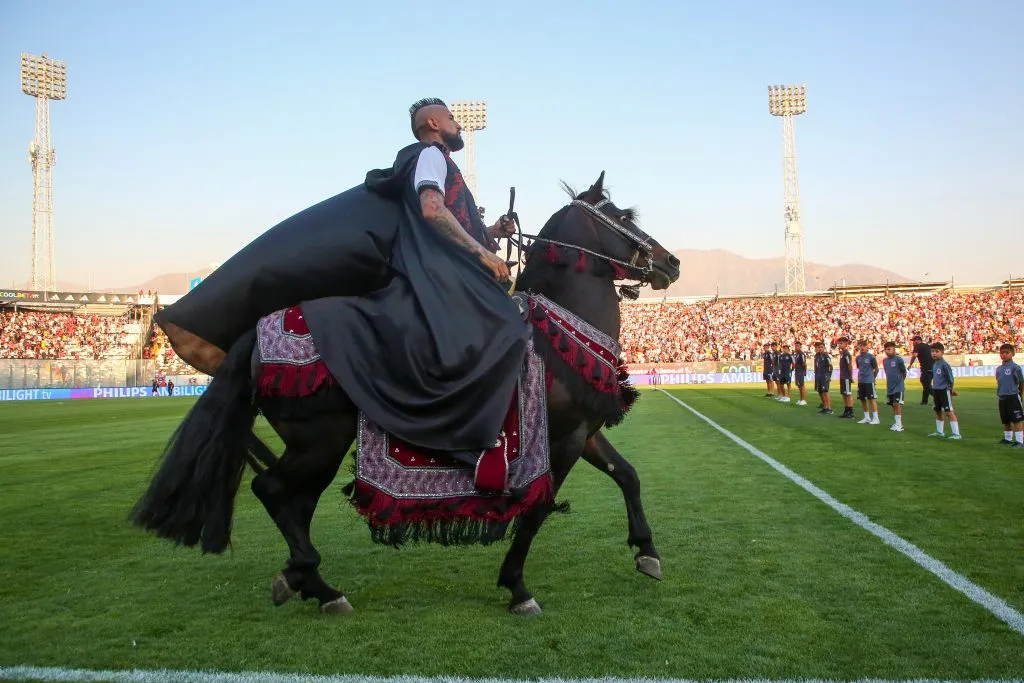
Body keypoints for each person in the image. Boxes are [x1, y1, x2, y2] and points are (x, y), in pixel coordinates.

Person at [927, 342, 961, 439]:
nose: (934, 353)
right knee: (937, 411)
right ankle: (939, 432)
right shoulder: (935, 364)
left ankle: (956, 434)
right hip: (936, 390)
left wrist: (951, 390)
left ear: (942, 352)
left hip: (944, 391)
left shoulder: (944, 365)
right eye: (932, 351)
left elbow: (950, 379)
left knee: (949, 412)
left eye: (936, 351)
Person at [995, 343, 1024, 447]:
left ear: (1013, 354)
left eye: (1007, 353)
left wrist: (1020, 394)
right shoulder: (999, 369)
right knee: (1006, 419)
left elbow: (1021, 382)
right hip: (1002, 396)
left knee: (1017, 419)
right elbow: (998, 381)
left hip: (1013, 396)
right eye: (1002, 353)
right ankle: (1008, 439)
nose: (1004, 355)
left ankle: (1020, 441)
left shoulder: (1015, 368)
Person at [882, 341, 907, 432]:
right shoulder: (885, 361)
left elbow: (903, 372)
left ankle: (900, 425)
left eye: (889, 349)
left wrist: (900, 381)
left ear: (894, 349)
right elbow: (887, 372)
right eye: (885, 349)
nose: (887, 351)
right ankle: (896, 423)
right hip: (890, 386)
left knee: (897, 404)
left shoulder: (898, 359)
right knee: (893, 405)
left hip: (898, 386)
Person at [855, 340, 880, 424]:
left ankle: (876, 418)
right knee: (862, 399)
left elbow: (876, 369)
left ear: (867, 347)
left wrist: (873, 378)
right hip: (861, 380)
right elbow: (860, 368)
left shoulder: (871, 357)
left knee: (871, 399)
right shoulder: (858, 358)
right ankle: (867, 417)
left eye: (864, 346)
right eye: (860, 346)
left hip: (869, 381)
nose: (862, 347)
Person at [907, 334, 934, 406]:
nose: (913, 343)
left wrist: (910, 364)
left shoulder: (917, 346)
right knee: (926, 385)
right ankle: (924, 401)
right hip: (933, 367)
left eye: (914, 341)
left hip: (926, 368)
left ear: (918, 340)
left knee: (925, 384)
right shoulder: (928, 346)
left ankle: (938, 396)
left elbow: (915, 355)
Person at [837, 337, 855, 419]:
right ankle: (846, 410)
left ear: (846, 344)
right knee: (844, 394)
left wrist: (851, 376)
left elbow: (849, 365)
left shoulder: (847, 354)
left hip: (846, 377)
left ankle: (850, 412)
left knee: (848, 394)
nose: (840, 345)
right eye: (839, 343)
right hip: (842, 376)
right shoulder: (842, 354)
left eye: (841, 343)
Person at [814, 341, 833, 414]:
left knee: (825, 391)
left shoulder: (826, 356)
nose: (820, 349)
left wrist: (829, 376)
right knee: (820, 392)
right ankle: (825, 407)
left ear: (824, 348)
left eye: (821, 347)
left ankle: (829, 408)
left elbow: (831, 367)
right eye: (819, 347)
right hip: (818, 376)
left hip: (824, 376)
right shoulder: (817, 356)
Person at [793, 341, 808, 406]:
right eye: (795, 346)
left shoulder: (801, 354)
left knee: (801, 385)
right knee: (799, 385)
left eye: (797, 346)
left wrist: (803, 371)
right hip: (797, 371)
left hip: (800, 371)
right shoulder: (796, 354)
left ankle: (803, 399)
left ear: (800, 346)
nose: (796, 347)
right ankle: (801, 399)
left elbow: (804, 363)